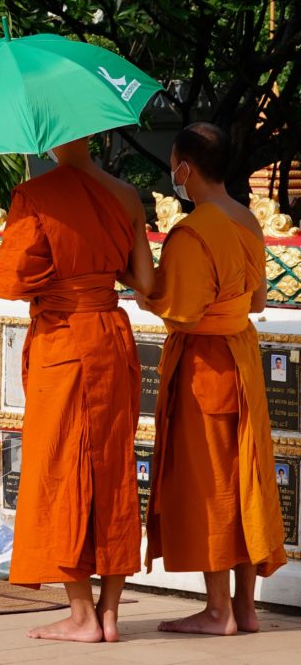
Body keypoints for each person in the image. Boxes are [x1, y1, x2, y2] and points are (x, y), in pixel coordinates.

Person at [0, 136, 155, 643]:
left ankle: (81, 616)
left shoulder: (34, 194)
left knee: (62, 466)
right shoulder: (126, 194)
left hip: (63, 342)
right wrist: (101, 267)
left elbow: (11, 280)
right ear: (97, 135)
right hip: (110, 335)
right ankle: (109, 614)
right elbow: (145, 280)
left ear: (51, 138)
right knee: (111, 468)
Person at [138, 123, 286, 636]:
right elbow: (259, 302)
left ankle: (219, 610)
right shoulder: (246, 219)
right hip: (242, 360)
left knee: (213, 486)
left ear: (184, 168)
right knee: (243, 477)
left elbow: (180, 312)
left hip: (205, 364)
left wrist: (140, 285)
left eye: (173, 164)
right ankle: (244, 608)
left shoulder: (194, 229)